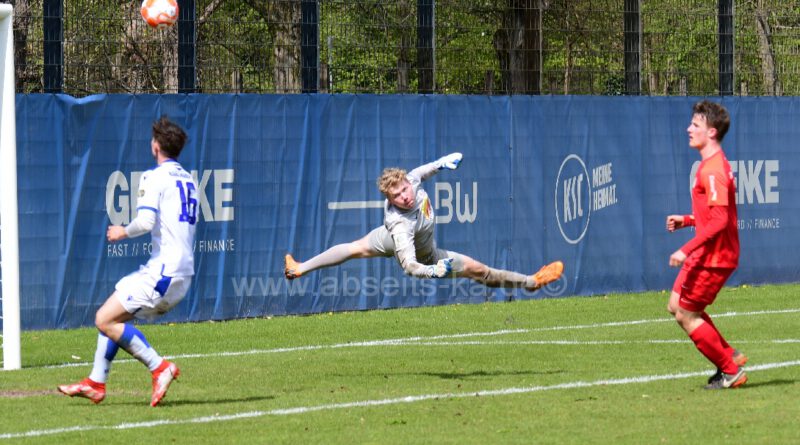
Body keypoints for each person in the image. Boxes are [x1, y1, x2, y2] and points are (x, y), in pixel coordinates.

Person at [58, 116, 198, 406]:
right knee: (113, 314)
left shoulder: (154, 177)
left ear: (156, 145)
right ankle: (96, 382)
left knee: (103, 319)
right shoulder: (188, 179)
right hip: (181, 273)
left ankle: (159, 367)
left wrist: (122, 231)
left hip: (165, 272)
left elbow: (146, 221)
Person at [285, 152, 563, 293]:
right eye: (396, 196)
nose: (404, 197)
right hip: (416, 253)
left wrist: (443, 163)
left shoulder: (412, 181)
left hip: (419, 246)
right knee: (355, 250)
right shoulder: (400, 225)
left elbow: (422, 171)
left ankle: (531, 282)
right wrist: (433, 271)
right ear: (390, 200)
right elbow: (409, 266)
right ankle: (300, 269)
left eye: (404, 190)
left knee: (480, 271)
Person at [666, 100, 747, 390]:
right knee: (675, 305)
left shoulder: (713, 169)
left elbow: (720, 220)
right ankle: (730, 356)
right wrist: (688, 220)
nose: (689, 129)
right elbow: (712, 215)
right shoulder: (709, 165)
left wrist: (685, 248)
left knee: (686, 315)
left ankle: (731, 370)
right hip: (708, 253)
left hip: (714, 256)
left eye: (695, 125)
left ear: (711, 132)